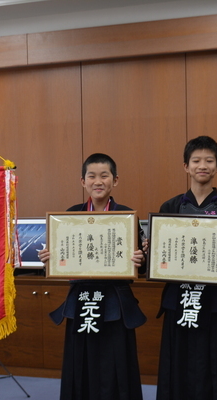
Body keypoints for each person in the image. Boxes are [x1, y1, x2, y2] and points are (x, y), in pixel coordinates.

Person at [38, 153, 147, 400]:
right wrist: (50, 258)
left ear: (115, 180)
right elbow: (63, 255)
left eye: (104, 176)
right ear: (83, 181)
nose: (98, 181)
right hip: (81, 298)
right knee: (80, 362)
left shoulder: (127, 216)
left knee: (116, 362)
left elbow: (141, 263)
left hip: (115, 301)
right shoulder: (70, 215)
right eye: (92, 176)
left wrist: (141, 260)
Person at [155, 136, 217, 400]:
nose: (202, 165)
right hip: (181, 298)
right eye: (196, 160)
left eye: (209, 160)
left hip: (216, 300)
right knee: (179, 365)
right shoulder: (170, 207)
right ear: (186, 166)